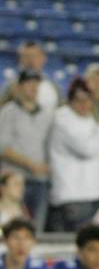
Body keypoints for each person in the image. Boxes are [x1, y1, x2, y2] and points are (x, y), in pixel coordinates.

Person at [48, 78, 99, 232]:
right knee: (77, 244)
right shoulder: (63, 119)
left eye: (87, 100)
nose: (83, 105)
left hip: (93, 193)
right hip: (73, 195)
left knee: (92, 242)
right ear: (70, 101)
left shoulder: (89, 120)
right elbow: (88, 149)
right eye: (78, 100)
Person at [0, 69, 53, 231]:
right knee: (12, 227)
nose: (33, 87)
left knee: (36, 228)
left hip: (40, 181)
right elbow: (2, 147)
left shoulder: (47, 113)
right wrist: (31, 164)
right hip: (14, 180)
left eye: (36, 84)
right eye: (29, 83)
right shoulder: (8, 112)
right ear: (19, 87)